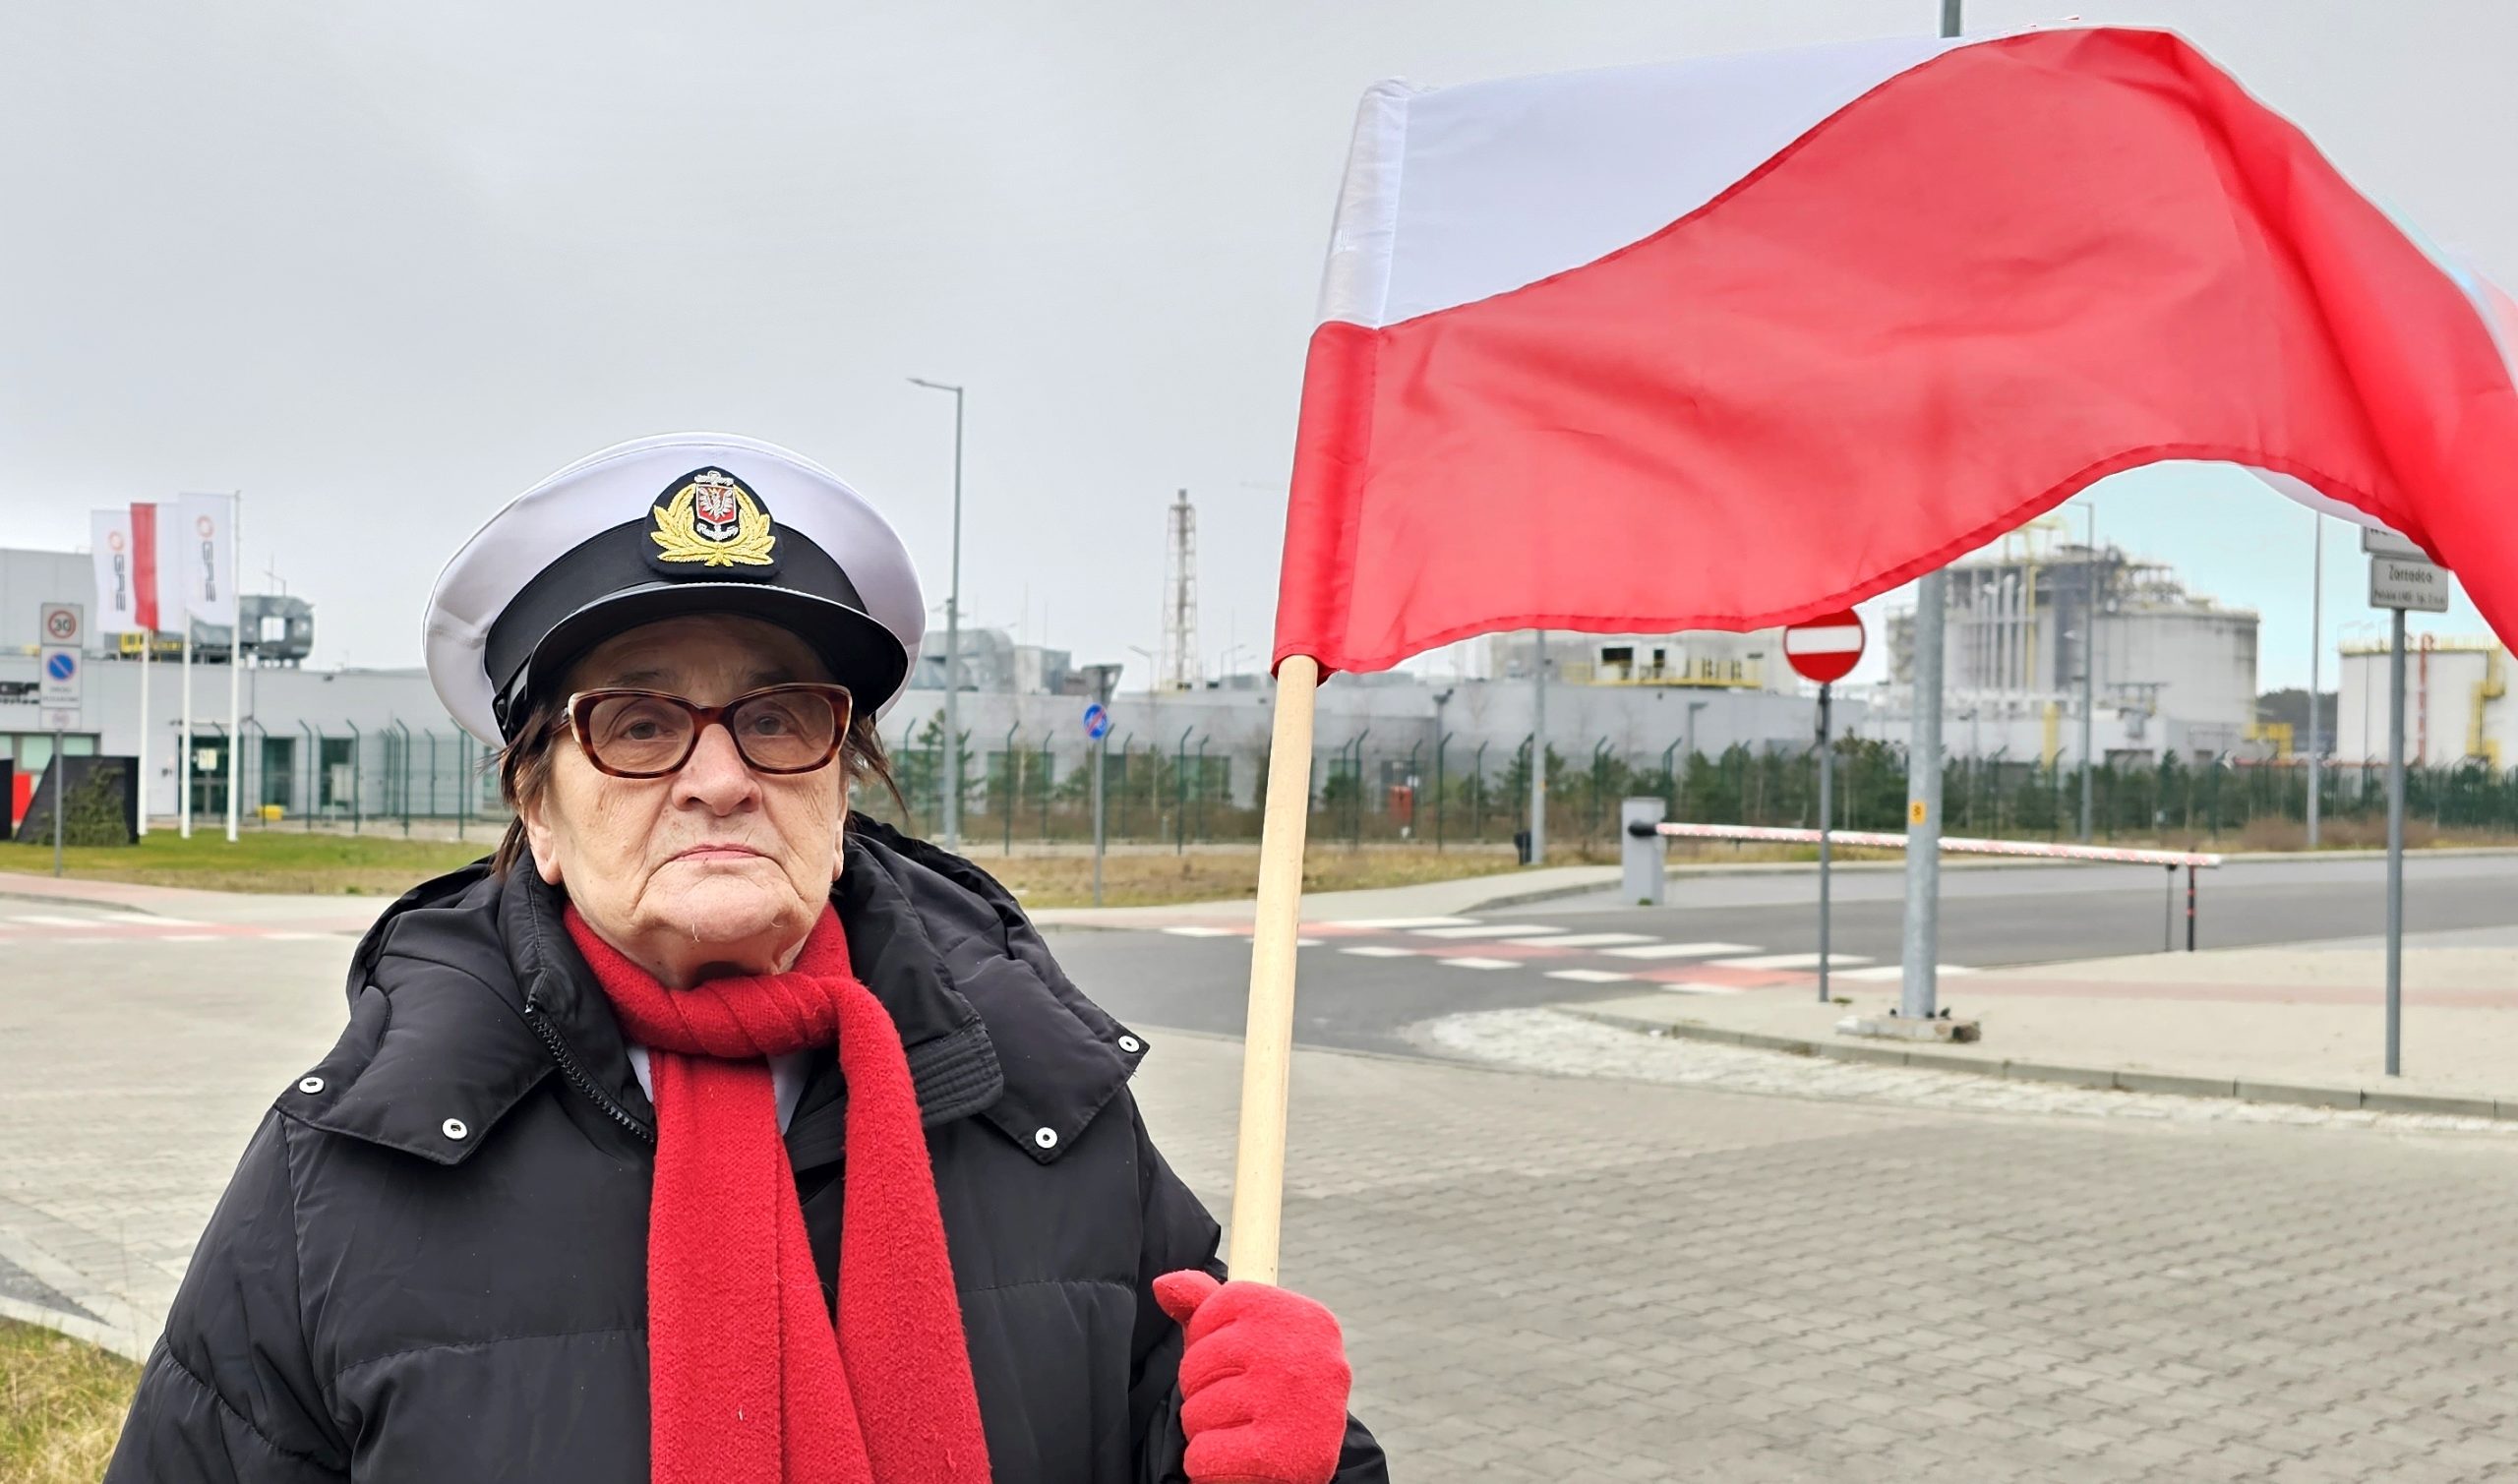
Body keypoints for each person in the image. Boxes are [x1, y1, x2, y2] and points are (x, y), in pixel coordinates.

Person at [106, 433, 1388, 1484]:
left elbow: (1206, 1440)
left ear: (841, 782)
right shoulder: (343, 1177)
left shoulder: (1048, 1111)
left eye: (776, 718)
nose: (720, 778)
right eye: (637, 723)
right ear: (537, 810)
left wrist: (1306, 1465)